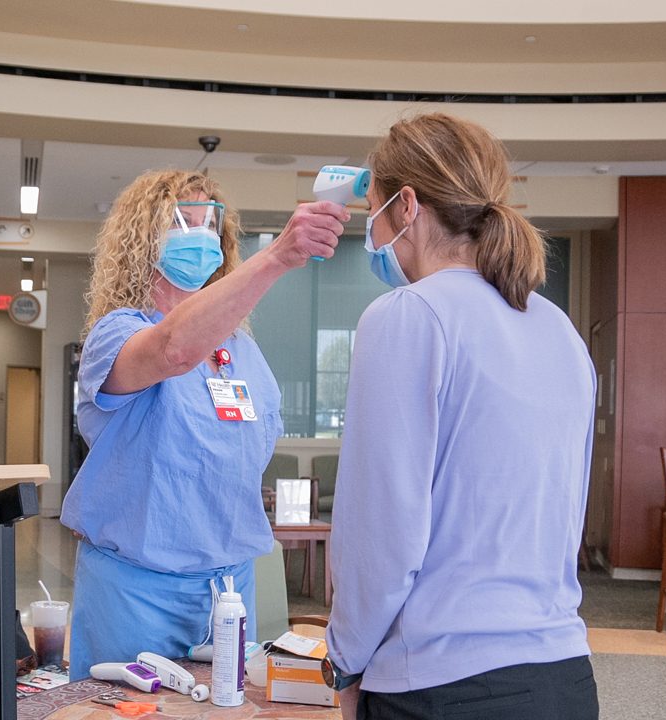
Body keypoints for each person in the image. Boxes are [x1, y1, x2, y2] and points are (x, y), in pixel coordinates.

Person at [323, 114, 598, 719]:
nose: (372, 233)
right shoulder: (557, 327)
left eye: (372, 212)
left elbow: (380, 534)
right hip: (564, 678)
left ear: (407, 205)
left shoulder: (407, 315)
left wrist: (342, 660)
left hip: (444, 685)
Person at [60, 170, 348, 679]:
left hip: (229, 592)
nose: (200, 236)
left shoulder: (242, 351)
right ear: (143, 240)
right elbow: (173, 349)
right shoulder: (116, 335)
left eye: (209, 225)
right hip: (137, 593)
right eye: (182, 223)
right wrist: (278, 256)